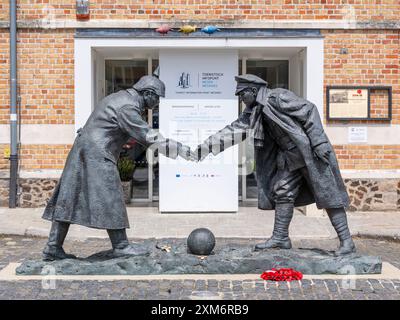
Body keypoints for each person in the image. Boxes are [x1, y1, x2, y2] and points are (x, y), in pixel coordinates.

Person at [194, 74, 355, 256]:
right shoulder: (254, 110)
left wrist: (319, 142)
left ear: (253, 91)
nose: (240, 98)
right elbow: (234, 130)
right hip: (289, 157)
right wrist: (206, 147)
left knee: (328, 194)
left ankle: (347, 242)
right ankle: (280, 238)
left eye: (241, 94)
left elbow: (309, 110)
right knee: (283, 191)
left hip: (310, 153)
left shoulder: (278, 97)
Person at [42, 72, 195, 261]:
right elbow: (147, 136)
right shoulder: (127, 107)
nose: (157, 103)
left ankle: (53, 247)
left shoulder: (119, 98)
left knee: (69, 197)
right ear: (148, 93)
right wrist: (179, 149)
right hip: (97, 154)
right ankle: (121, 246)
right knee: (111, 196)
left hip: (83, 150)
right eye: (157, 98)